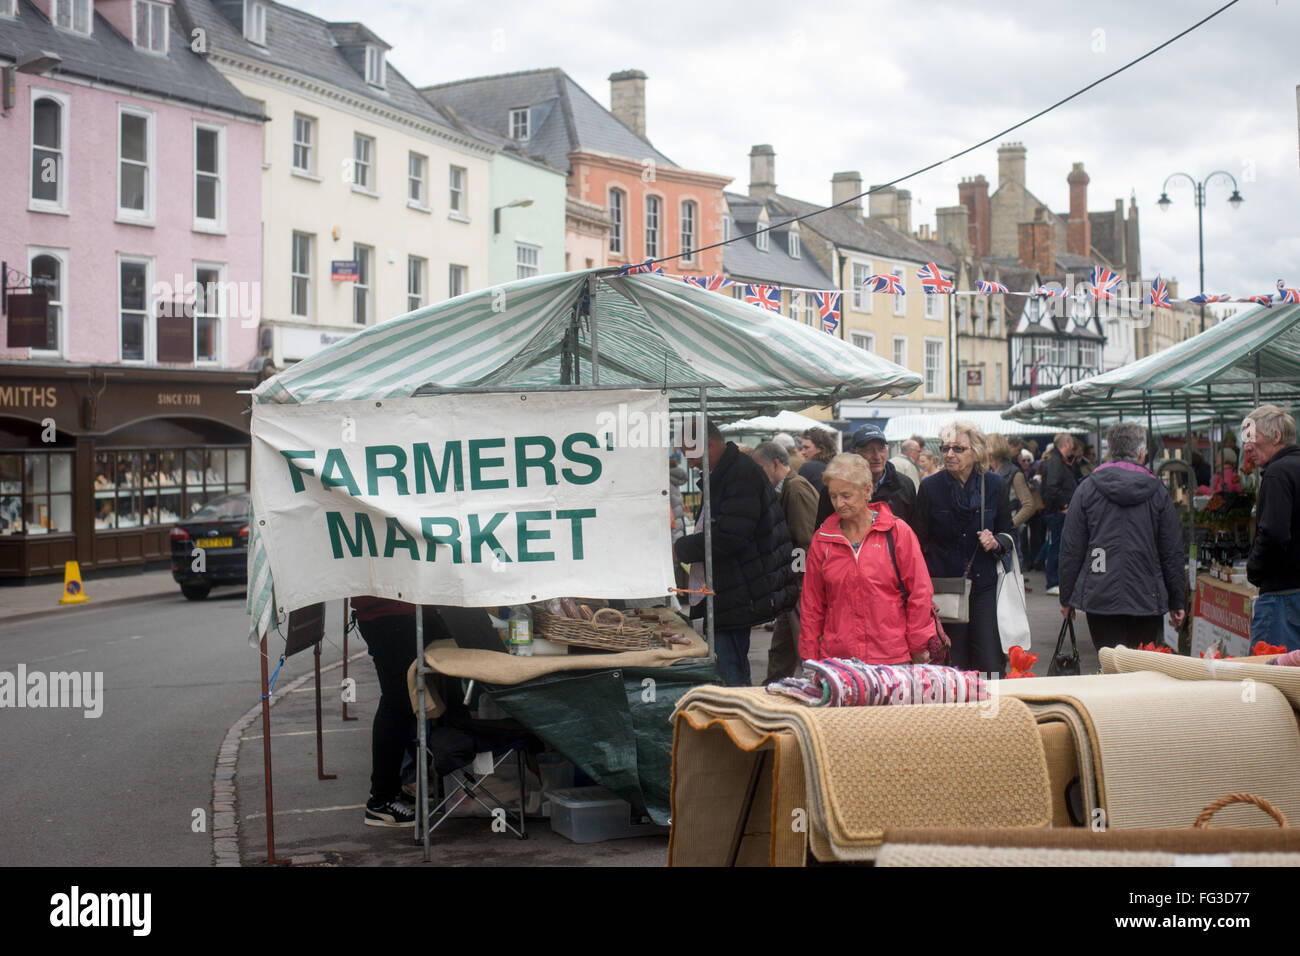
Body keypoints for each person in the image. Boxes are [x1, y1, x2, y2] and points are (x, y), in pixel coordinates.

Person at [675, 422, 800, 685]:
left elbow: (730, 537)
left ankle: (737, 720)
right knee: (731, 667)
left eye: (689, 452)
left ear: (707, 444)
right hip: (734, 589)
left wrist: (680, 549)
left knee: (730, 673)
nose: (688, 461)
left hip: (737, 591)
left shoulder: (739, 474)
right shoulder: (729, 472)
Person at [1057, 422, 1187, 650]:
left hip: (1100, 594)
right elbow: (1171, 550)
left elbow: (1071, 547)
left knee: (1108, 669)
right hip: (1147, 594)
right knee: (1140, 669)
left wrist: (1066, 598)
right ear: (1140, 452)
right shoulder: (1157, 491)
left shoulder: (1087, 488)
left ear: (1112, 450)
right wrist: (1177, 599)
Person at [800, 454, 934, 664]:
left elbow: (920, 592)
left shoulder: (897, 532)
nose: (839, 503)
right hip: (838, 659)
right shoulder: (823, 539)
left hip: (891, 657)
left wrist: (918, 645)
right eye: (833, 496)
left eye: (846, 495)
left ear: (867, 491)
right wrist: (809, 656)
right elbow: (812, 604)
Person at [912, 422, 1013, 676]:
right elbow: (917, 542)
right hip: (944, 587)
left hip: (983, 588)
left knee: (989, 662)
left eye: (958, 448)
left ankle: (991, 714)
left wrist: (996, 541)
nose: (949, 454)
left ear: (975, 451)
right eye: (945, 448)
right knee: (950, 662)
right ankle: (953, 715)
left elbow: (1010, 535)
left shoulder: (994, 485)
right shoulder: (930, 487)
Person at [351, 598, 451, 827]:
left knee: (402, 703)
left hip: (394, 612)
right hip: (389, 614)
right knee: (397, 704)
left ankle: (395, 789)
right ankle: (380, 801)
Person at [753, 442, 819, 683]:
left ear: (775, 464)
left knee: (803, 642)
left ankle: (816, 690)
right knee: (783, 645)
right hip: (793, 581)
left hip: (800, 581)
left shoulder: (795, 488)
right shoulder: (789, 488)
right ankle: (770, 690)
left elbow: (806, 540)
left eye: (759, 467)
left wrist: (796, 578)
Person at [1244, 404, 1300, 650]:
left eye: (1252, 438)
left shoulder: (1277, 473)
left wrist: (1254, 569)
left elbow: (1274, 534)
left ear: (1276, 436)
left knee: (1272, 678)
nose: (1247, 447)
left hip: (1282, 595)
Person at [815, 425, 916, 527]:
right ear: (854, 452)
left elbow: (913, 531)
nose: (877, 456)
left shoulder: (904, 485)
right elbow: (822, 532)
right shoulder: (836, 488)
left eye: (881, 449)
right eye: (868, 450)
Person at [1040, 432, 1082, 595]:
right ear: (1065, 444)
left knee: (1058, 546)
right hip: (1058, 513)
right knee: (1056, 547)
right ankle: (1052, 582)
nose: (1073, 446)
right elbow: (1052, 487)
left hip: (1060, 511)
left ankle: (1056, 581)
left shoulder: (1058, 461)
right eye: (1072, 442)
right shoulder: (1056, 462)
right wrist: (1063, 505)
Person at [988, 433, 1039, 564]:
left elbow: (1029, 505)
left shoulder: (1014, 473)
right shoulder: (990, 471)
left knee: (1009, 575)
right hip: (994, 534)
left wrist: (1010, 524)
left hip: (1006, 536)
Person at [798, 428, 837, 492]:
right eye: (802, 448)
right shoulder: (834, 467)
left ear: (820, 448)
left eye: (806, 447)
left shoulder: (808, 468)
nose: (803, 452)